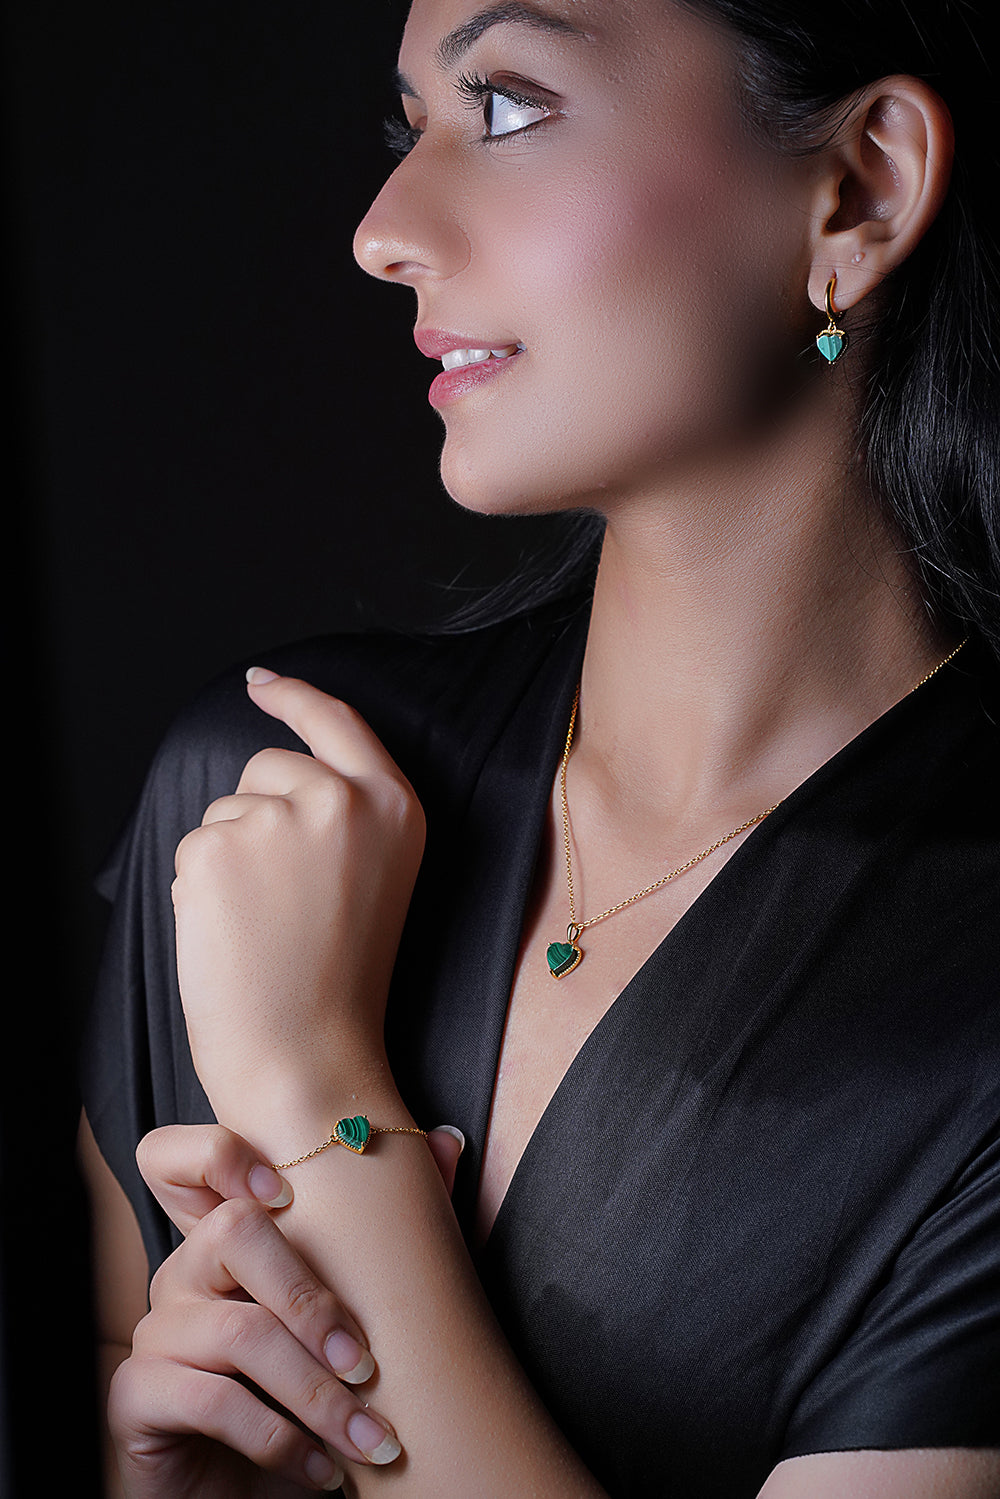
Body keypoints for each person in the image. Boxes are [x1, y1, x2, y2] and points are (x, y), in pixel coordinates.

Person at [79, 0, 1000, 1494]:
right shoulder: (261, 802)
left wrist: (321, 1101)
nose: (385, 226)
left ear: (860, 189)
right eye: (409, 124)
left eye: (506, 107)